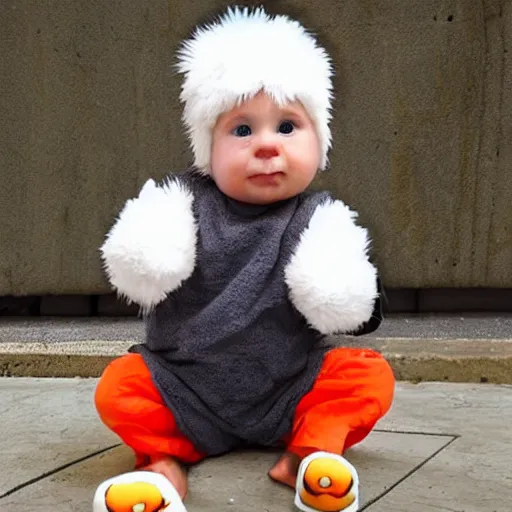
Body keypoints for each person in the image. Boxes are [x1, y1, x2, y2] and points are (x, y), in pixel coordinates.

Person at [94, 6, 395, 512]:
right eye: (241, 130)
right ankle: (163, 467)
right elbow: (136, 268)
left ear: (318, 141)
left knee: (366, 374)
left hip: (288, 387)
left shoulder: (319, 217)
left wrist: (343, 287)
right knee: (119, 386)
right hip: (185, 385)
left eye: (286, 126)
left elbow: (351, 305)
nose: (265, 147)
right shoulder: (183, 203)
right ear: (207, 147)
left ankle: (309, 455)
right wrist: (149, 246)